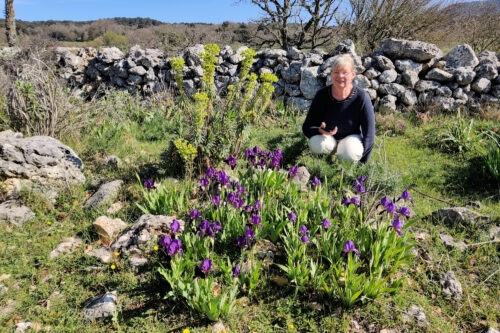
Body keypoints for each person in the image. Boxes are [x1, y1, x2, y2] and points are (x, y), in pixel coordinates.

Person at [302, 54, 375, 163]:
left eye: (344, 72)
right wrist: (319, 130)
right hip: (328, 139)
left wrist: (363, 165)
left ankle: (346, 165)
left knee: (349, 152)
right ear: (331, 74)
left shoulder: (362, 97)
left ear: (353, 74)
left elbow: (369, 136)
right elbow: (307, 127)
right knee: (316, 143)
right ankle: (323, 164)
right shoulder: (322, 95)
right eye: (335, 72)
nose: (340, 76)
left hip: (351, 140)